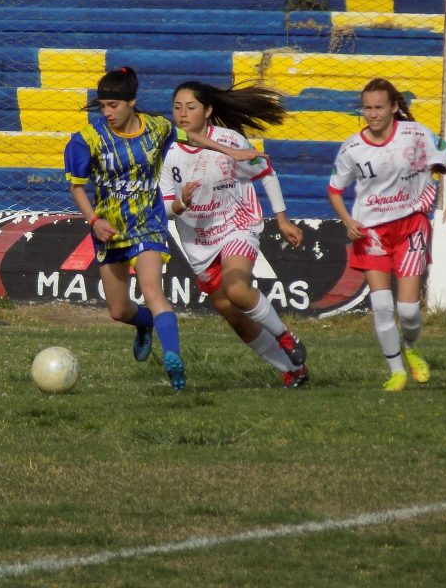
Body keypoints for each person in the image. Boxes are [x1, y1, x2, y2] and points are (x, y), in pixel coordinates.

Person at [64, 66, 265, 392]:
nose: (107, 112)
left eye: (113, 105)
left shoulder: (157, 128)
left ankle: (174, 360)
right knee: (118, 310)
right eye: (103, 106)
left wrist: (231, 151)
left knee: (152, 290)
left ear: (132, 102)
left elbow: (192, 137)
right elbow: (76, 188)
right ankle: (144, 323)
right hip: (109, 229)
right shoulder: (87, 140)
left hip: (148, 224)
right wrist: (94, 221)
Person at [161, 80, 309, 388]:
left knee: (237, 290)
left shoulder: (230, 140)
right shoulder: (168, 151)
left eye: (191, 107)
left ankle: (285, 336)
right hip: (198, 242)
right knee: (230, 311)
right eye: (177, 107)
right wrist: (181, 202)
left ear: (208, 111)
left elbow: (265, 172)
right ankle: (292, 370)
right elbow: (165, 208)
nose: (183, 113)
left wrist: (282, 220)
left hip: (236, 226)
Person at [327, 77, 446, 392]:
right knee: (382, 306)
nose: (372, 114)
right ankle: (397, 372)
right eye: (367, 108)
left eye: (379, 107)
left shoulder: (415, 135)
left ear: (393, 108)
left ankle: (412, 348)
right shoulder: (352, 148)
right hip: (371, 232)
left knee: (408, 311)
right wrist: (347, 220)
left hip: (410, 226)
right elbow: (334, 190)